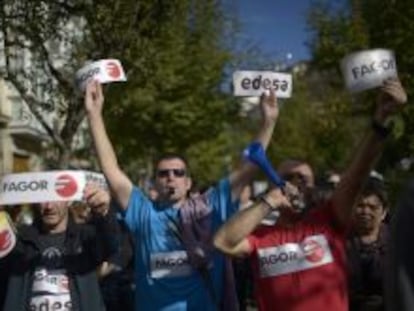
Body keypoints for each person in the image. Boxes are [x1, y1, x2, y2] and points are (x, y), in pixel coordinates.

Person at [213, 78, 407, 311]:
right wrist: (268, 201)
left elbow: (356, 175)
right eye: (288, 177)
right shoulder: (260, 237)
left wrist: (381, 120)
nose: (295, 184)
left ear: (313, 187)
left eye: (304, 179)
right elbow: (222, 241)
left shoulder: (328, 220)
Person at [84, 80, 279, 310]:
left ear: (188, 182)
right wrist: (94, 114)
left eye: (178, 173)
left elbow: (248, 167)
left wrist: (268, 122)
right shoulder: (142, 211)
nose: (171, 177)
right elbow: (111, 170)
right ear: (155, 181)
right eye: (164, 173)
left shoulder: (211, 207)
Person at [0, 182, 118, 311]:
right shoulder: (19, 240)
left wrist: (104, 213)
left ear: (69, 200)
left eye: (56, 198)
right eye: (44, 199)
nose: (49, 206)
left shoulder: (86, 237)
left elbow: (111, 246)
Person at [347, 177, 389, 311]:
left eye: (372, 207)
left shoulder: (396, 243)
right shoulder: (338, 241)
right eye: (360, 205)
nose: (366, 212)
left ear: (384, 212)